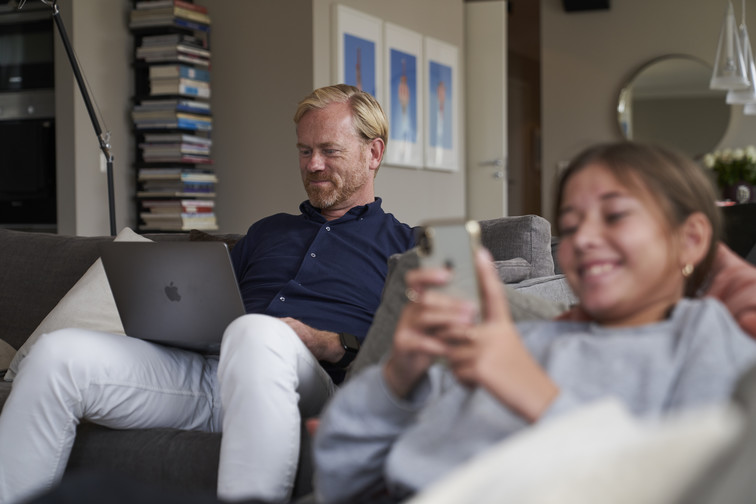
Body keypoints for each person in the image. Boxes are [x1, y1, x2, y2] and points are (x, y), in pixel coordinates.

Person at [0, 84, 415, 504]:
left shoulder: (404, 245)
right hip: (213, 373)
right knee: (57, 355)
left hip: (310, 382)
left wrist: (325, 341)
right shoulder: (268, 231)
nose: (314, 164)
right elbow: (215, 307)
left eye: (330, 150)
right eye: (304, 151)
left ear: (373, 153)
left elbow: (410, 353)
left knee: (256, 334)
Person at [312, 142, 756, 503]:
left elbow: (701, 481)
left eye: (616, 215)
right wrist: (397, 376)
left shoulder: (699, 336)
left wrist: (533, 392)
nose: (584, 239)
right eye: (572, 223)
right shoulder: (513, 339)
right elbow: (340, 480)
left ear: (691, 239)